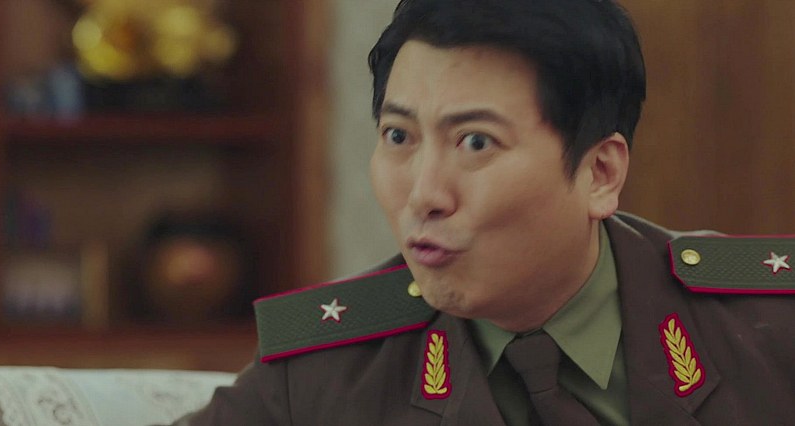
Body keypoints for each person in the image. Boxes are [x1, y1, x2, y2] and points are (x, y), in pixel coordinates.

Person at [170, 0, 795, 424]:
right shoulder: (323, 372)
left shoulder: (769, 327)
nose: (425, 194)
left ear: (600, 173)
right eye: (398, 136)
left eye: (475, 142)